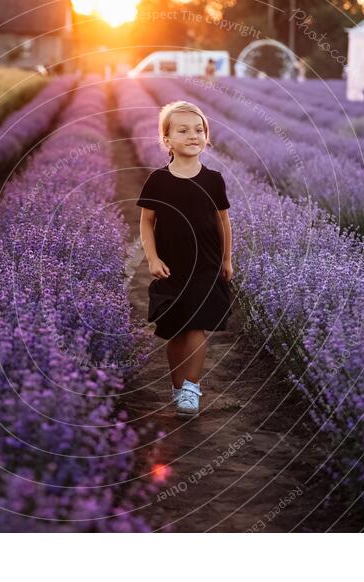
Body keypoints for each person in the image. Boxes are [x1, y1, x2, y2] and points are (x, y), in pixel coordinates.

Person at [136, 101, 233, 418]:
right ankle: (179, 389)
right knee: (176, 329)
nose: (193, 135)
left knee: (196, 327)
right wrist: (151, 258)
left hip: (205, 264)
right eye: (183, 130)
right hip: (171, 267)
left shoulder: (214, 179)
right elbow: (146, 222)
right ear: (167, 140)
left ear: (206, 137)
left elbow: (223, 222)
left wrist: (227, 260)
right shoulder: (159, 180)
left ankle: (192, 387)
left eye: (199, 130)